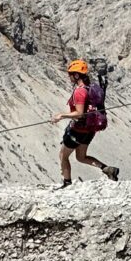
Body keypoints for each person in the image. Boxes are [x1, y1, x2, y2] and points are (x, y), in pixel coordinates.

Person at [49, 59, 118, 187]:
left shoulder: (80, 91)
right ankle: (107, 169)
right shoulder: (90, 88)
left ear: (76, 75)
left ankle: (67, 183)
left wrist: (61, 116)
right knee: (81, 157)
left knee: (63, 156)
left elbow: (79, 113)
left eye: (70, 74)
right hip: (90, 130)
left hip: (78, 130)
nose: (69, 77)